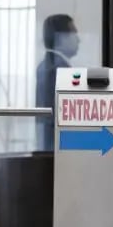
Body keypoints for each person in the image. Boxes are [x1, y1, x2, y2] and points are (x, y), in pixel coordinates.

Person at [35, 14, 80, 150]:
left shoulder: (45, 66)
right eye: (74, 33)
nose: (79, 39)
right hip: (59, 150)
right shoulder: (60, 70)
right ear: (60, 37)